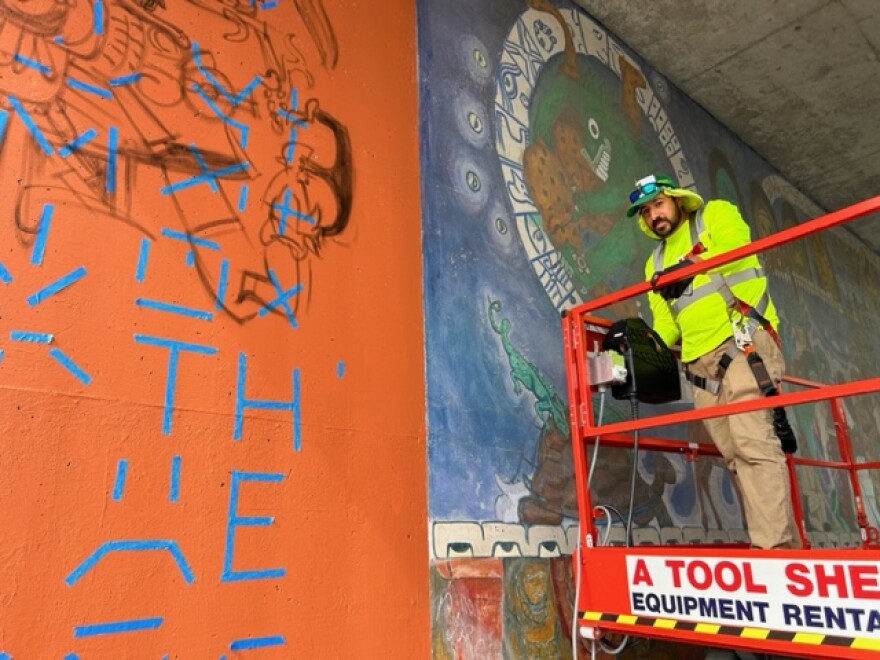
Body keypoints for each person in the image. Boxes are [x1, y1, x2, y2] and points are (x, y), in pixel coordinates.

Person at [625, 173, 801, 549]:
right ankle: (775, 542)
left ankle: (774, 550)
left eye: (658, 204)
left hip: (742, 344)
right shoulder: (653, 262)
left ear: (676, 200)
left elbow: (735, 253)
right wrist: (630, 351)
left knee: (753, 443)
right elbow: (666, 326)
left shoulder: (715, 215)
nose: (653, 215)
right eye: (645, 212)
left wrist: (686, 267)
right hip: (700, 368)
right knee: (735, 454)